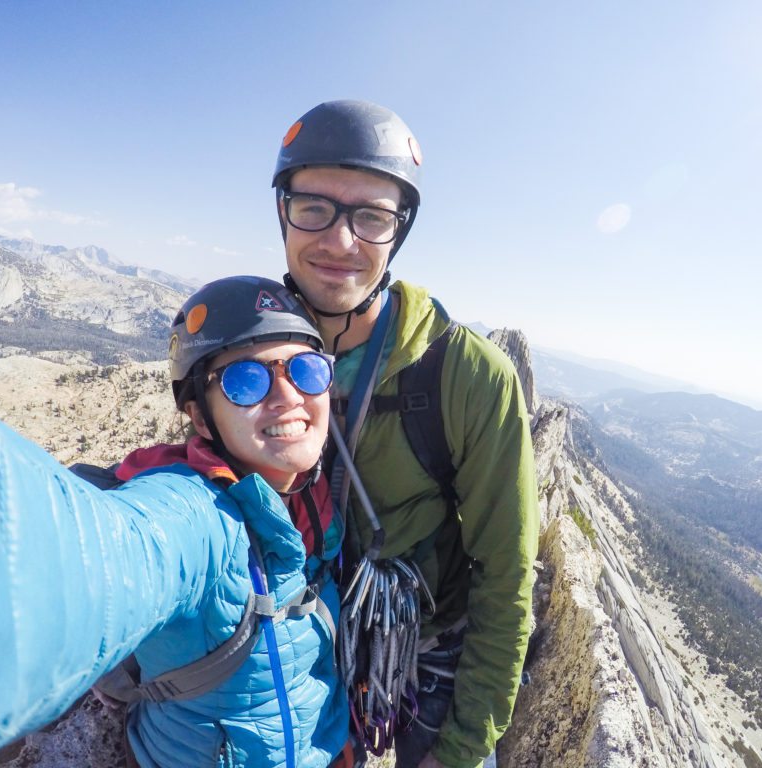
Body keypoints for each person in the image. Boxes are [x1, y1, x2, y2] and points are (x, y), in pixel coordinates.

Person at [0, 276, 349, 768]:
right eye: (246, 380)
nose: (289, 395)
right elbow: (94, 561)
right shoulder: (196, 513)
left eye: (308, 370)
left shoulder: (315, 494)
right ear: (202, 419)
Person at [271, 100, 540, 768]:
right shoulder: (251, 358)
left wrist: (462, 750)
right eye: (314, 207)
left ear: (399, 232)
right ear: (284, 211)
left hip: (430, 658)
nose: (340, 241)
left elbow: (504, 580)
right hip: (313, 642)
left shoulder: (469, 378)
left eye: (371, 216)